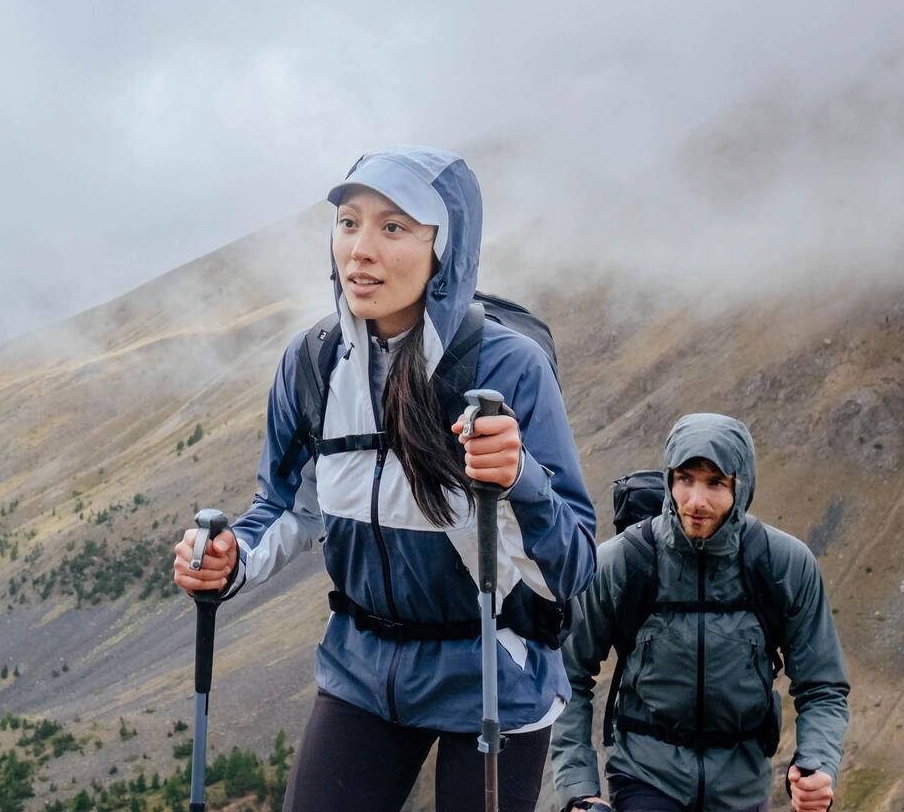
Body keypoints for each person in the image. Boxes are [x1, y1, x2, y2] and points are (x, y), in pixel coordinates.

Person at [171, 147, 597, 812]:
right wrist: (231, 560)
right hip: (362, 666)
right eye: (348, 223)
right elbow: (285, 506)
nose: (360, 251)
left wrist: (521, 480)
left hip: (493, 671)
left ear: (444, 248)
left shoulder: (508, 370)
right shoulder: (312, 363)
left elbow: (571, 568)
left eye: (394, 227)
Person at [549, 414, 849, 812]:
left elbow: (822, 686)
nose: (696, 501)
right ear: (669, 479)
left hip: (742, 785)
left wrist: (817, 763)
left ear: (741, 487)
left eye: (715, 483)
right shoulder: (623, 562)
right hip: (646, 776)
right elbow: (567, 676)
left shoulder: (783, 565)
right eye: (685, 479)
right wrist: (579, 789)